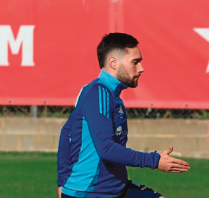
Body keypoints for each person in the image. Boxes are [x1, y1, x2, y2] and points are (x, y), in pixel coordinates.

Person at [57, 33, 190, 198]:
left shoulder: (107, 93)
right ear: (113, 62)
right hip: (91, 192)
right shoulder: (98, 93)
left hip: (115, 188)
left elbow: (65, 132)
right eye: (135, 62)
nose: (141, 68)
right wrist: (154, 161)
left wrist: (62, 181)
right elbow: (106, 149)